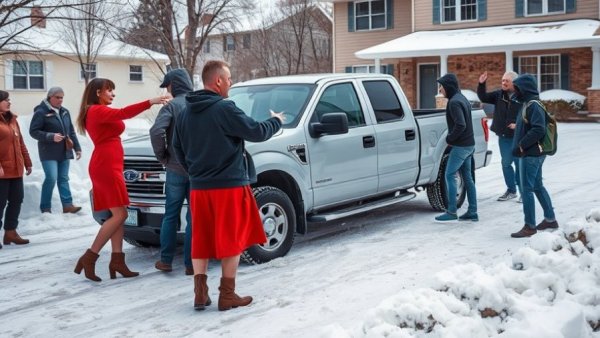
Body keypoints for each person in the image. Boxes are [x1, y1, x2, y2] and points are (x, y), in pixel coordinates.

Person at [172, 60, 284, 311]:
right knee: (230, 239)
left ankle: (200, 294)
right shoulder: (224, 108)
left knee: (201, 238)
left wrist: (196, 172)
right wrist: (276, 121)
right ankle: (227, 295)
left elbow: (177, 149)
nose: (231, 83)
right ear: (218, 81)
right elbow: (256, 132)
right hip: (229, 187)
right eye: (230, 78)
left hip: (199, 188)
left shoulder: (185, 113)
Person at [74, 78, 168, 281]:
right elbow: (123, 113)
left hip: (110, 165)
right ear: (98, 92)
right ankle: (90, 256)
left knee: (117, 214)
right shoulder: (96, 110)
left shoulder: (96, 111)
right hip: (105, 167)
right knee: (119, 215)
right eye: (110, 90)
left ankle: (117, 261)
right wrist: (150, 101)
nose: (113, 94)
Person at [150, 69, 194, 275]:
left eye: (168, 86)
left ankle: (166, 260)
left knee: (170, 214)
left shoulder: (172, 106)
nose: (167, 90)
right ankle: (190, 263)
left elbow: (156, 130)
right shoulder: (198, 103)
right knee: (194, 217)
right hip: (196, 169)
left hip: (175, 168)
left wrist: (162, 156)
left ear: (174, 85)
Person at [510, 74, 558, 238]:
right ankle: (550, 219)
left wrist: (521, 145)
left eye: (517, 88)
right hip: (531, 153)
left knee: (527, 189)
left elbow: (539, 129)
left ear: (525, 88)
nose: (514, 91)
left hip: (531, 154)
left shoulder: (533, 105)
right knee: (537, 186)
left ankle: (529, 226)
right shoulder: (527, 104)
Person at [30, 87, 82, 214]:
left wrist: (77, 148)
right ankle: (45, 207)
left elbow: (71, 131)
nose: (60, 100)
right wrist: (50, 136)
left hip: (65, 150)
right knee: (51, 178)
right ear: (50, 97)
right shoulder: (41, 112)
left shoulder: (65, 112)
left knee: (63, 178)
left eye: (62, 97)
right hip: (48, 152)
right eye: (58, 97)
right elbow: (33, 131)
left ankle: (68, 205)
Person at [434, 73, 478, 222]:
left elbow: (461, 124)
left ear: (448, 87)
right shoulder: (462, 98)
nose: (440, 90)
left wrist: (449, 138)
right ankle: (472, 211)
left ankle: (452, 211)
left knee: (449, 175)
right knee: (467, 178)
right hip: (469, 145)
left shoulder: (454, 102)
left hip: (461, 147)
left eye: (441, 86)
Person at [477, 71, 522, 201]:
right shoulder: (499, 94)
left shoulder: (522, 96)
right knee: (506, 163)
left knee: (519, 164)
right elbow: (483, 97)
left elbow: (528, 115)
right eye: (502, 80)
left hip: (519, 137)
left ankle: (523, 192)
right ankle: (511, 190)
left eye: (506, 81)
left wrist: (518, 124)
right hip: (504, 136)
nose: (503, 83)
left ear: (514, 82)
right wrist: (481, 84)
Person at [0, 90, 33, 248]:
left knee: (16, 200)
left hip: (15, 169)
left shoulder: (13, 120)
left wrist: (28, 162)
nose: (9, 102)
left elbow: (20, 144)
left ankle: (10, 232)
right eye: (6, 100)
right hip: (1, 171)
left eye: (9, 99)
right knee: (0, 203)